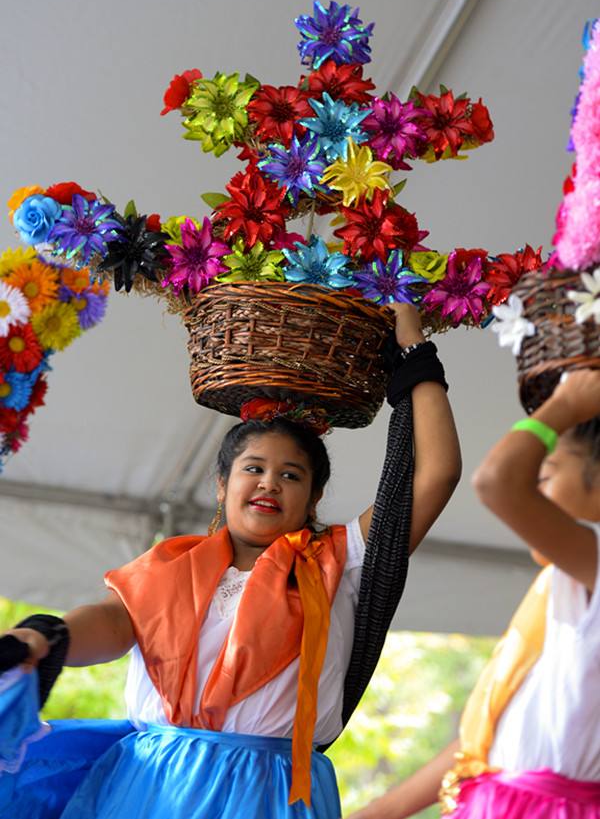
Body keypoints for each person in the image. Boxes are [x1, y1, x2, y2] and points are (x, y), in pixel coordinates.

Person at [0, 303, 460, 819]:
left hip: (268, 794)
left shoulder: (342, 561)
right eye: (254, 468)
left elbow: (436, 474)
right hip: (150, 786)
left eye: (291, 475)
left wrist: (416, 353)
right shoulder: (172, 563)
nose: (269, 483)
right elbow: (115, 621)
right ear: (223, 484)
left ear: (313, 498)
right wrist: (46, 636)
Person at [349, 368, 600, 819]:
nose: (535, 488)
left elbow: (496, 483)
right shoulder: (559, 587)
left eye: (546, 475)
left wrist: (565, 407)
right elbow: (480, 740)